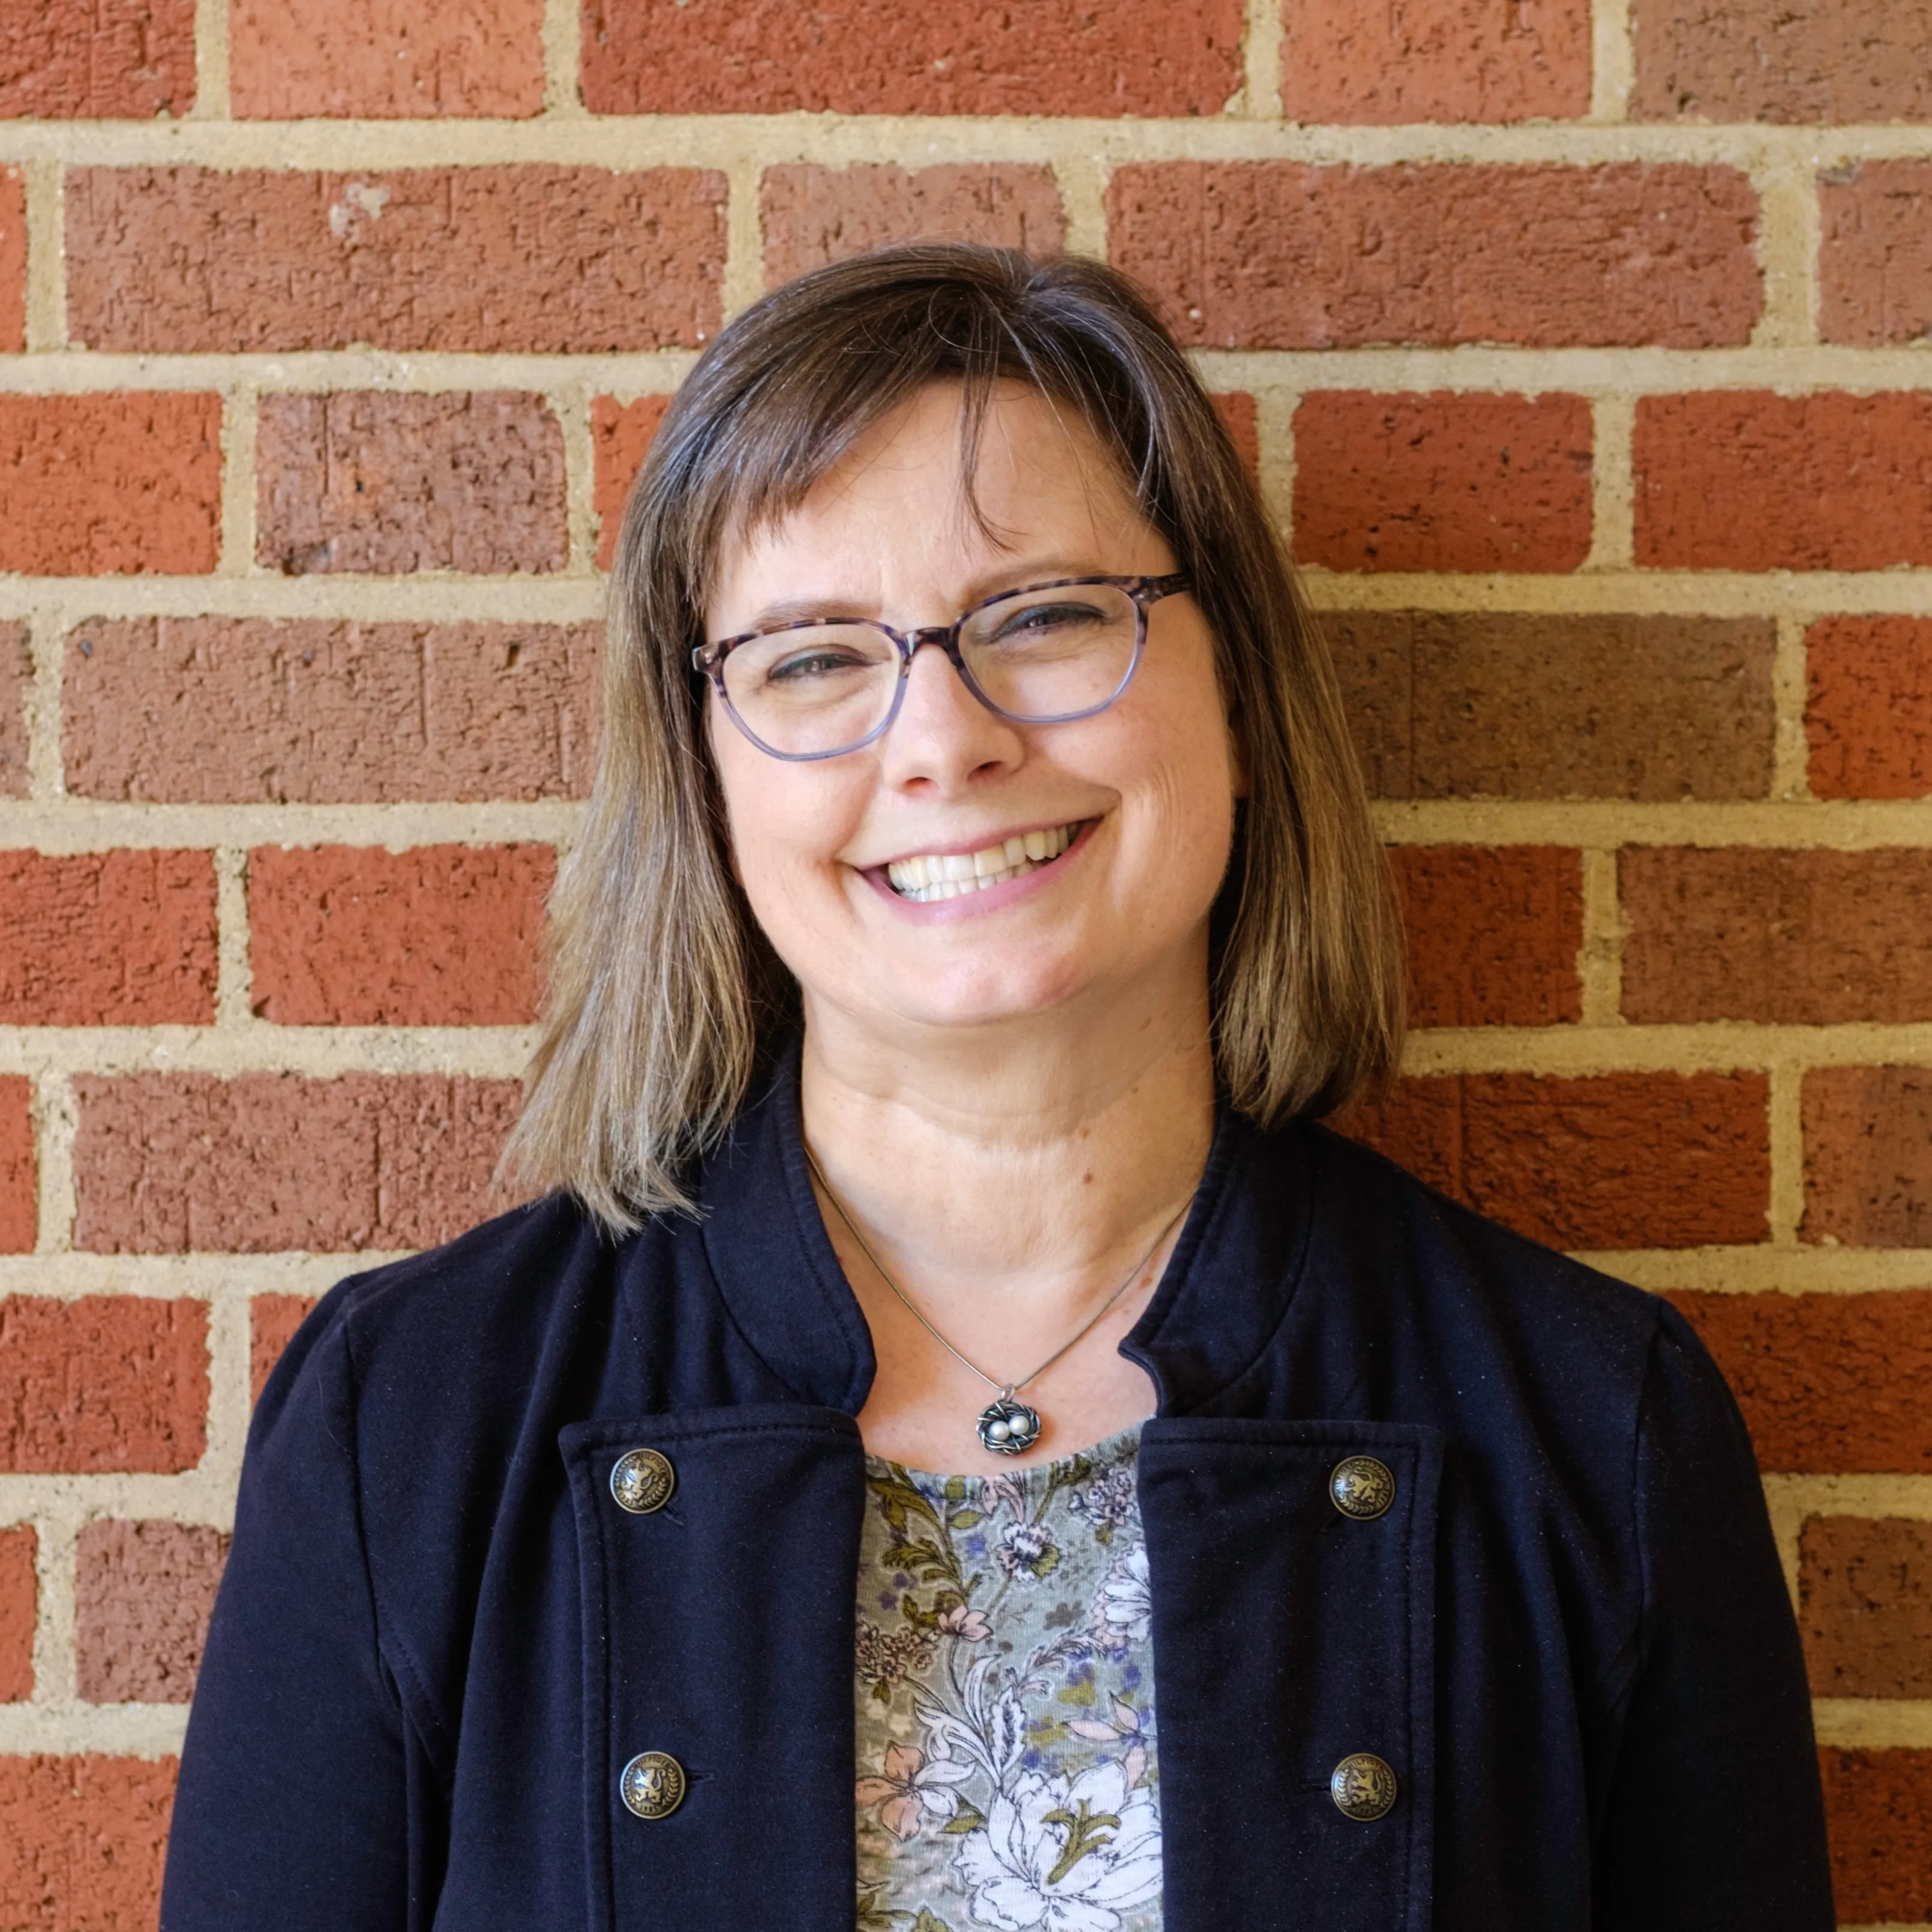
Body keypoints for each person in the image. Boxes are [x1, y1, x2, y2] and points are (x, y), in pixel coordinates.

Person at [160, 246, 1834, 1932]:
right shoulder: (416, 1422)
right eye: (812, 658)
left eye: (1040, 617)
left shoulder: (1588, 1427)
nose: (940, 738)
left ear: (1233, 678)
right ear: (705, 769)